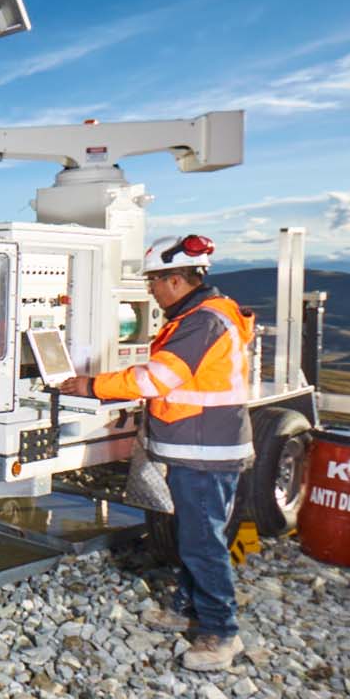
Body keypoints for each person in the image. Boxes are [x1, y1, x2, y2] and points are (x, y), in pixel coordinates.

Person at [56, 234, 254, 672]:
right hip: (197, 447)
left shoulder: (203, 322)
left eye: (154, 282)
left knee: (203, 543)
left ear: (178, 280)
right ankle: (187, 607)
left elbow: (156, 380)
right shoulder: (201, 316)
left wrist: (92, 386)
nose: (150, 290)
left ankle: (221, 633)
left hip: (206, 451)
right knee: (192, 535)